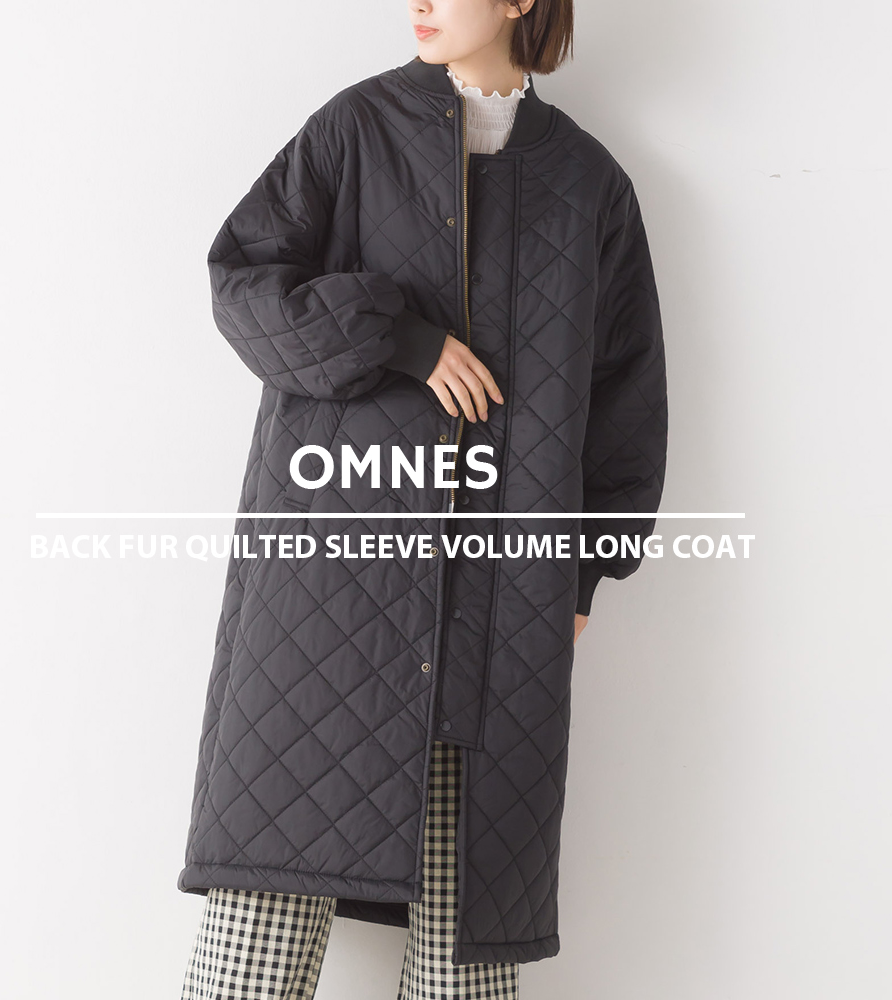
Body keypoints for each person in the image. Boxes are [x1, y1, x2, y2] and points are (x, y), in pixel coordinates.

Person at [179, 1, 668, 997]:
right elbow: (242, 284)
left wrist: (582, 574)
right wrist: (401, 340)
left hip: (501, 608)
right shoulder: (355, 131)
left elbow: (625, 393)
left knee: (463, 959)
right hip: (332, 594)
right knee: (257, 936)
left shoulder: (590, 185)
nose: (419, 1)